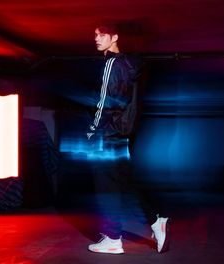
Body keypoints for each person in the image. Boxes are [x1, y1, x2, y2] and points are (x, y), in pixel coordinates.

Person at [86, 22, 170, 254]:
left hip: (108, 133)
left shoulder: (111, 63)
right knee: (124, 182)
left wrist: (92, 130)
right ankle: (156, 221)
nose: (97, 38)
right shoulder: (129, 65)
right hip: (123, 133)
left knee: (106, 186)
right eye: (95, 35)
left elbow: (104, 102)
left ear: (114, 37)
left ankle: (113, 239)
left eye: (102, 34)